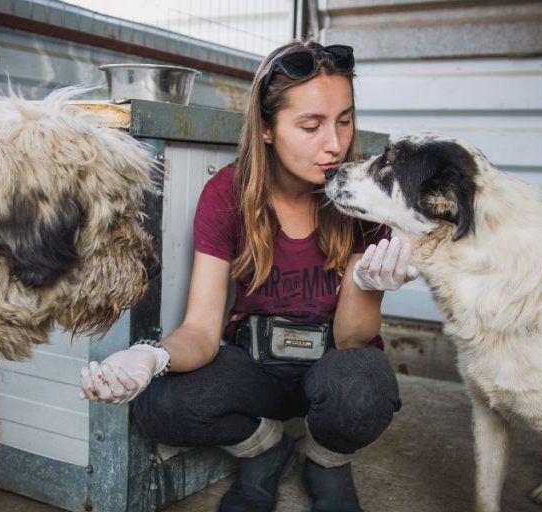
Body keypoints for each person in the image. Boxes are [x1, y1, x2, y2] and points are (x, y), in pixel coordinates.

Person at [79, 40, 418, 512]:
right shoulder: (227, 195)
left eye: (344, 120)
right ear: (266, 129)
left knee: (364, 389)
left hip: (332, 366)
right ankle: (265, 448)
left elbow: (353, 339)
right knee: (161, 405)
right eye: (310, 125)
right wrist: (146, 358)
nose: (336, 143)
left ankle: (327, 460)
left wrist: (366, 282)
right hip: (254, 369)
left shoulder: (364, 200)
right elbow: (200, 330)